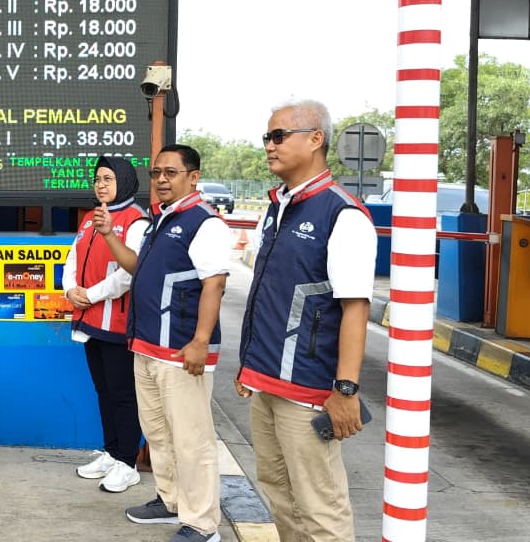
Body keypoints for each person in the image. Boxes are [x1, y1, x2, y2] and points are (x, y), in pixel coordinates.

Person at [233, 99, 377, 542]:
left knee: (320, 509)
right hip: (266, 383)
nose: (269, 146)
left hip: (309, 391)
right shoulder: (278, 208)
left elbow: (355, 307)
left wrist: (345, 391)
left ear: (316, 139)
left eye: (278, 136)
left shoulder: (342, 214)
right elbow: (269, 295)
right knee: (279, 494)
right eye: (267, 138)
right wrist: (249, 366)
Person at [107, 144, 231, 542]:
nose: (161, 179)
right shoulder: (161, 220)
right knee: (158, 432)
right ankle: (170, 498)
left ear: (193, 177)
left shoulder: (203, 222)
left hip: (181, 353)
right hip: (147, 347)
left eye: (171, 173)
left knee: (192, 439)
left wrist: (199, 341)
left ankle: (202, 523)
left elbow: (214, 283)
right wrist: (110, 235)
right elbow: (136, 268)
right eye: (157, 172)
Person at [63, 156, 151, 493]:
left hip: (117, 323)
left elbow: (132, 272)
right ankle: (112, 453)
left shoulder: (136, 221)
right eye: (98, 178)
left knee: (122, 395)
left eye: (108, 178)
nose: (101, 184)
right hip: (88, 320)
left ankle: (128, 462)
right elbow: (73, 257)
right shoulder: (88, 219)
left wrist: (92, 294)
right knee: (104, 391)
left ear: (125, 181)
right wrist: (70, 288)